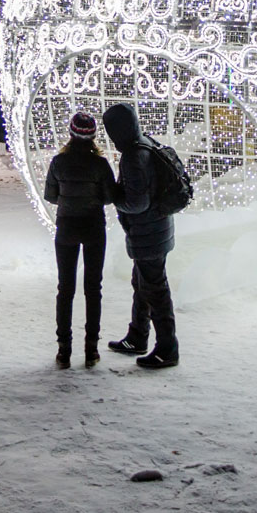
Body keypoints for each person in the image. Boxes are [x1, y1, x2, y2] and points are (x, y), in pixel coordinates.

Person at [103, 103, 178, 369]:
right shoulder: (146, 142)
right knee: (143, 283)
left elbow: (137, 203)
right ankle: (137, 335)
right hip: (158, 228)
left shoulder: (133, 156)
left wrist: (114, 196)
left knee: (155, 290)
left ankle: (167, 349)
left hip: (148, 232)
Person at [44, 111, 119, 369]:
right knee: (93, 289)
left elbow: (50, 195)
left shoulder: (58, 162)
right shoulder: (100, 165)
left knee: (65, 289)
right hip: (93, 227)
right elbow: (109, 197)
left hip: (66, 227)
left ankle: (64, 350)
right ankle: (91, 350)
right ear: (94, 136)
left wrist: (67, 200)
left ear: (71, 133)